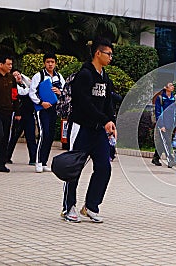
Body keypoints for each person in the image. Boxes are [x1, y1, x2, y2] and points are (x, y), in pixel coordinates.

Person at [61, 37, 116, 223]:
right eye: (108, 53)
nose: (111, 57)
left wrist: (110, 121)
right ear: (97, 53)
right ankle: (68, 207)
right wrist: (104, 119)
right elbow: (84, 104)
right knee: (73, 168)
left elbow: (107, 103)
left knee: (104, 168)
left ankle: (91, 206)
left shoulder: (105, 77)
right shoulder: (84, 75)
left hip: (98, 130)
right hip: (81, 128)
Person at [29, 53, 65, 173]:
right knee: (44, 134)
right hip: (41, 109)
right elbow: (32, 92)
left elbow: (65, 91)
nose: (50, 64)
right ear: (44, 63)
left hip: (54, 109)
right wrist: (41, 102)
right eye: (48, 62)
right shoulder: (38, 76)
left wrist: (59, 92)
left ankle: (44, 162)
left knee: (50, 135)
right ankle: (38, 161)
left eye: (52, 62)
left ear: (55, 63)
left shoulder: (59, 76)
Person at [0, 55, 20, 172]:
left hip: (8, 112)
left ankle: (1, 164)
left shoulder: (11, 78)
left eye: (11, 64)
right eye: (8, 64)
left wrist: (17, 111)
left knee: (5, 138)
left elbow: (15, 95)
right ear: (1, 65)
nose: (10, 67)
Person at [7, 69, 37, 166]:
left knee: (31, 137)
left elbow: (31, 84)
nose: (18, 77)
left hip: (29, 115)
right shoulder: (14, 87)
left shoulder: (27, 83)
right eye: (15, 76)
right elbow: (23, 93)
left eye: (19, 74)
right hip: (19, 115)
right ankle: (7, 157)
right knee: (14, 137)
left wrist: (24, 79)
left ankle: (33, 158)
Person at [151, 82, 176, 168]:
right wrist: (161, 125)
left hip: (171, 123)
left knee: (163, 142)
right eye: (170, 85)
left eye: (173, 85)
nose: (172, 87)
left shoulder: (174, 99)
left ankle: (155, 157)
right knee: (167, 142)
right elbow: (158, 112)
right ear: (165, 87)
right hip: (163, 123)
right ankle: (170, 160)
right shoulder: (160, 98)